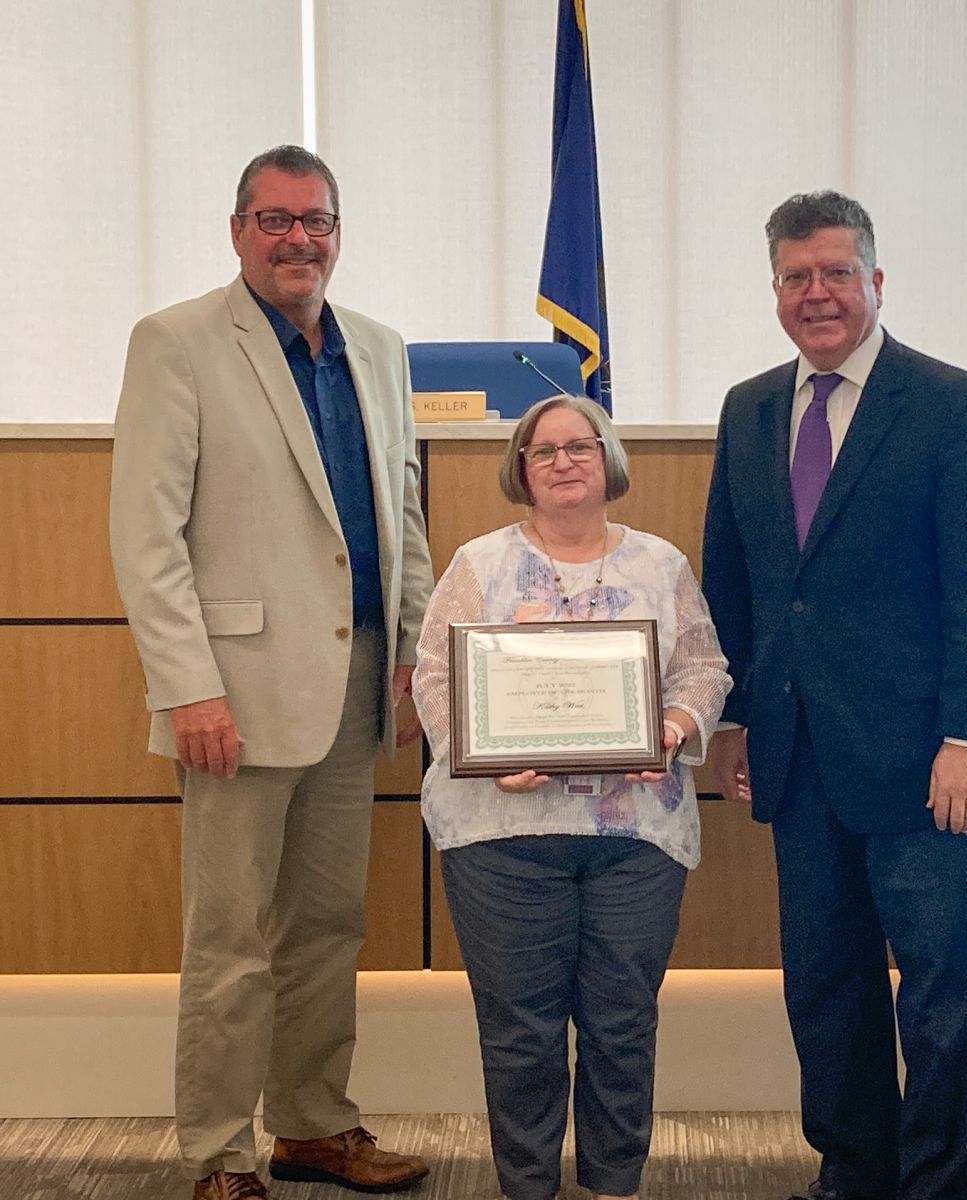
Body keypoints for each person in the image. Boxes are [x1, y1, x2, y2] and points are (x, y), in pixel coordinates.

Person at [110, 145, 434, 1200]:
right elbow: (146, 535)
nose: (300, 239)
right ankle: (218, 1151)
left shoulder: (381, 350)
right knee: (230, 940)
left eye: (317, 220)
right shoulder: (178, 344)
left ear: (339, 232)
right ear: (239, 229)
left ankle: (311, 1126)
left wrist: (414, 657)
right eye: (276, 219)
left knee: (328, 928)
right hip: (234, 699)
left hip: (358, 691)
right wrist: (185, 686)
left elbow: (406, 518)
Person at [701, 191, 967, 1200]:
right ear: (774, 291)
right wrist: (733, 716)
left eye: (837, 273)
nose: (818, 294)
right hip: (800, 763)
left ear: (876, 282)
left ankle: (937, 1188)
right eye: (797, 277)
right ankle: (853, 1171)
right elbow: (736, 579)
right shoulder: (749, 407)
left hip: (929, 766)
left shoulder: (949, 401)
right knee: (827, 992)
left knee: (945, 998)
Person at [412, 394, 730, 1200]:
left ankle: (613, 1185)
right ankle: (527, 1186)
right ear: (520, 468)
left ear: (608, 459)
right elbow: (437, 678)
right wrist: (485, 758)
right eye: (542, 450)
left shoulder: (659, 565)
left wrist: (668, 727)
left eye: (579, 447)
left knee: (622, 1027)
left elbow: (703, 669)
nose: (562, 462)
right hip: (499, 837)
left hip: (634, 842)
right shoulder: (477, 566)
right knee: (520, 1034)